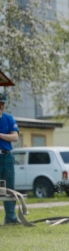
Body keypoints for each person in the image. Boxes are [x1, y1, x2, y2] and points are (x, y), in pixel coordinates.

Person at [0, 92, 20, 226]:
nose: (1, 106)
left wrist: (0, 135)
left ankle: (11, 217)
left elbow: (15, 137)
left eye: (2, 103)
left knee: (8, 187)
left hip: (6, 155)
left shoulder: (9, 118)